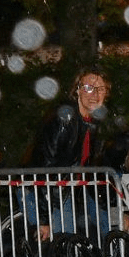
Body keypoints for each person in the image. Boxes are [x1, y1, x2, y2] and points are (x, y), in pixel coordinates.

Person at [27, 67, 110, 240]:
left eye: (101, 89)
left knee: (103, 227)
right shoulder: (64, 118)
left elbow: (92, 165)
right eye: (88, 87)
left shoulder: (94, 122)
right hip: (47, 191)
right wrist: (43, 218)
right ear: (77, 90)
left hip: (69, 189)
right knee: (65, 241)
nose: (95, 94)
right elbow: (44, 167)